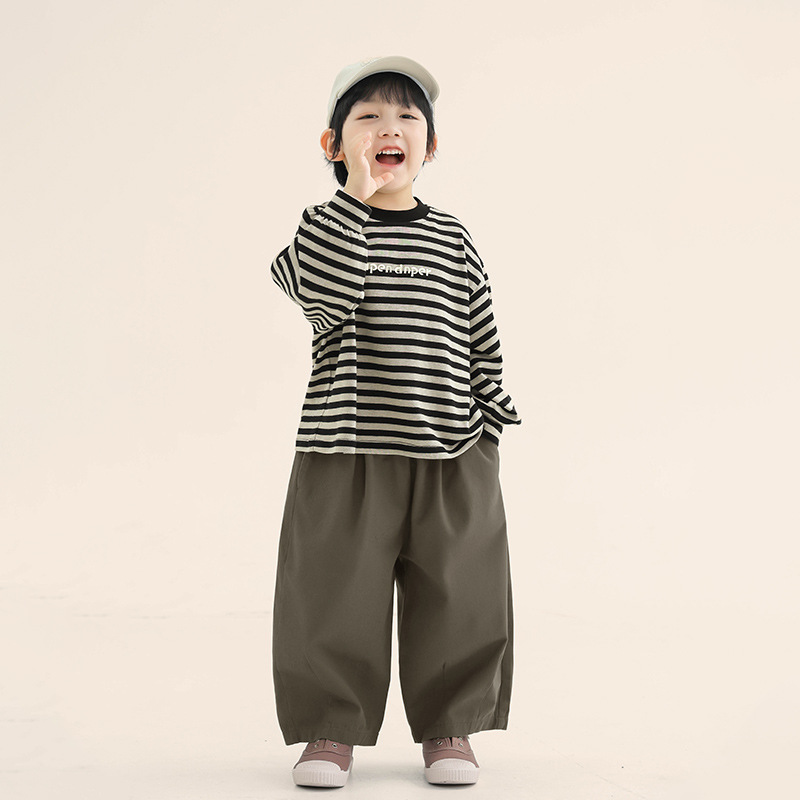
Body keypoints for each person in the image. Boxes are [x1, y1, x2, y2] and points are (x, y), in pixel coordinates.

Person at [269, 56, 523, 788]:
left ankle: (450, 727)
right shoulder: (323, 230)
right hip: (345, 448)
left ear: (430, 147)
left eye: (408, 118)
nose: (390, 128)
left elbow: (480, 331)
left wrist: (487, 418)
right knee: (332, 590)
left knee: (460, 591)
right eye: (369, 118)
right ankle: (330, 730)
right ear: (334, 144)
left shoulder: (452, 238)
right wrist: (355, 196)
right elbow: (319, 294)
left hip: (451, 448)